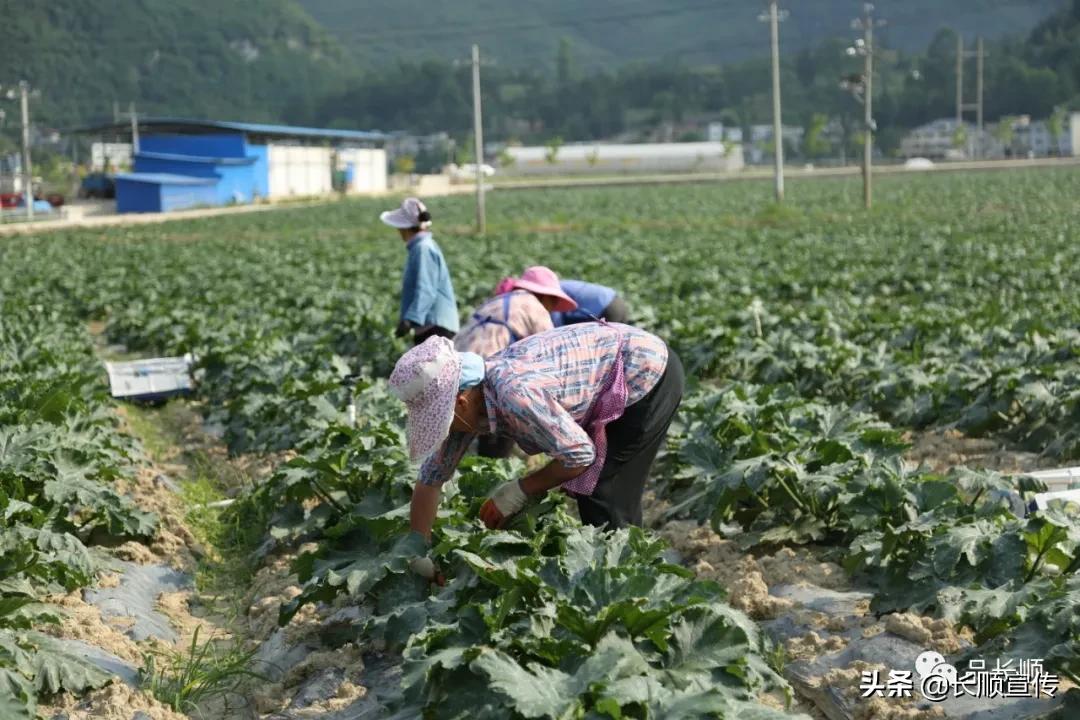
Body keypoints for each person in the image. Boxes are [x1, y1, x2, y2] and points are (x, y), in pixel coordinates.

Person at [389, 323, 685, 579]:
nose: (440, 426)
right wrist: (420, 550)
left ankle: (630, 579)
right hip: (610, 369)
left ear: (461, 402)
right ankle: (616, 571)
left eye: (439, 417)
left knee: (603, 490)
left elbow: (580, 455)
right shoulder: (469, 403)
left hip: (645, 371)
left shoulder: (514, 394)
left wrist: (520, 490)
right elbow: (431, 479)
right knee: (592, 488)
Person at [456, 266, 578, 458]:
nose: (553, 306)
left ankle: (469, 465)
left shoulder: (499, 300)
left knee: (461, 428)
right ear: (543, 295)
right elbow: (551, 349)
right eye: (553, 300)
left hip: (460, 364)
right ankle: (493, 467)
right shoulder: (533, 306)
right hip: (487, 367)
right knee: (504, 418)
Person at [380, 197, 459, 345]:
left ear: (404, 228)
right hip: (433, 325)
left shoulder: (423, 248)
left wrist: (410, 320)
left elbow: (426, 289)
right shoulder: (422, 246)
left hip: (436, 326)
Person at [548, 279, 629, 326]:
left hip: (606, 310)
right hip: (616, 301)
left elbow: (556, 324)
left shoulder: (552, 292)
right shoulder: (558, 284)